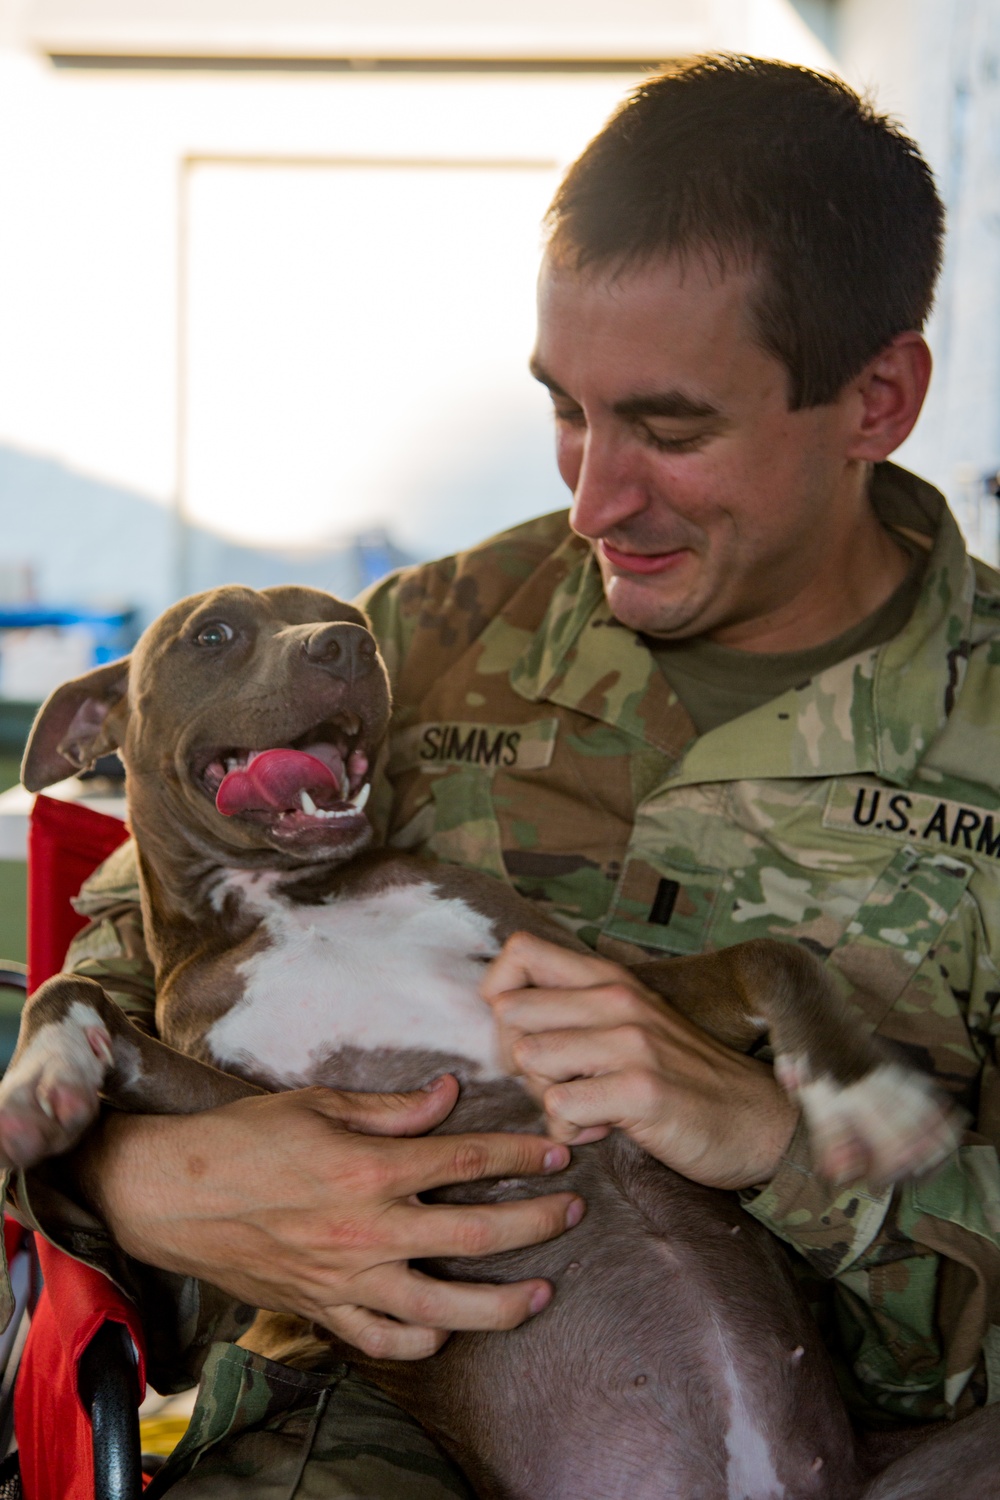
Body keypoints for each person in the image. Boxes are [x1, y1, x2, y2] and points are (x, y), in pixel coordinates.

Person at [11, 54, 1000, 1493]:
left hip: (873, 1421)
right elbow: (115, 980)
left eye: (670, 428)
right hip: (378, 1421)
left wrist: (770, 1132)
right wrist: (154, 1182)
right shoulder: (411, 643)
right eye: (567, 411)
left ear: (879, 398)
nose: (594, 498)